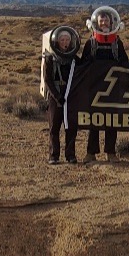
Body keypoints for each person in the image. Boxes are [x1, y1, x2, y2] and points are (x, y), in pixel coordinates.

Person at [81, 6, 128, 161]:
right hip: (95, 88)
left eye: (106, 20)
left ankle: (111, 152)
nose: (104, 23)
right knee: (94, 119)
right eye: (101, 20)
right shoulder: (91, 43)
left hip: (113, 88)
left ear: (111, 21)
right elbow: (83, 64)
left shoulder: (117, 43)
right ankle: (91, 152)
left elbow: (124, 63)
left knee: (111, 120)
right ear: (97, 22)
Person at [40, 24, 80, 163]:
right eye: (62, 40)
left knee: (71, 127)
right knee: (54, 127)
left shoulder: (75, 59)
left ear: (71, 41)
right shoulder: (50, 59)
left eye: (67, 40)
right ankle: (54, 155)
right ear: (57, 41)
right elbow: (48, 79)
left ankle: (70, 155)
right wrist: (57, 97)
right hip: (55, 96)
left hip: (71, 96)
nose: (65, 42)